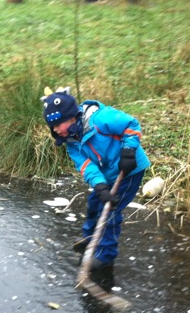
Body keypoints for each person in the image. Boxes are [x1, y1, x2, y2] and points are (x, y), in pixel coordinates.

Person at [41, 86, 150, 285]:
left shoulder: (100, 119)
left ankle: (106, 255)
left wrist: (128, 151)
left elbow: (131, 124)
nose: (55, 130)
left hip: (129, 170)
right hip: (107, 174)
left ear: (72, 117)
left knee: (109, 211)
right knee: (95, 201)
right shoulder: (71, 141)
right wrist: (100, 186)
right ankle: (91, 237)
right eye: (52, 126)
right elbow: (86, 165)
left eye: (57, 124)